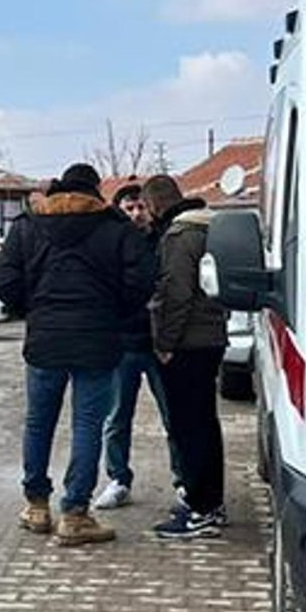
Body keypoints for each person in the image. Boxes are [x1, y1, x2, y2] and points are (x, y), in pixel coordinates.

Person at [0, 162, 154, 547]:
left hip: (45, 338)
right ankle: (75, 514)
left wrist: (33, 308)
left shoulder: (28, 225)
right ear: (96, 190)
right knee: (87, 425)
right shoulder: (115, 228)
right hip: (97, 339)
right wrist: (116, 313)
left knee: (38, 422)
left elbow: (6, 279)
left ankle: (35, 506)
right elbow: (142, 280)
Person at [142, 174, 229, 539]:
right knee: (206, 424)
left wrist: (164, 342)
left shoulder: (179, 237)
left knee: (189, 428)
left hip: (188, 345)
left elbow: (175, 294)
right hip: (211, 337)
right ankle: (211, 502)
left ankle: (200, 509)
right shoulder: (210, 227)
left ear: (153, 205)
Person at [91, 182, 180, 511]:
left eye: (141, 206)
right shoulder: (111, 246)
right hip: (123, 345)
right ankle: (118, 479)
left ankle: (183, 480)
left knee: (174, 415)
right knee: (116, 417)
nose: (136, 213)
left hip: (160, 344)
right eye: (129, 208)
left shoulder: (166, 240)